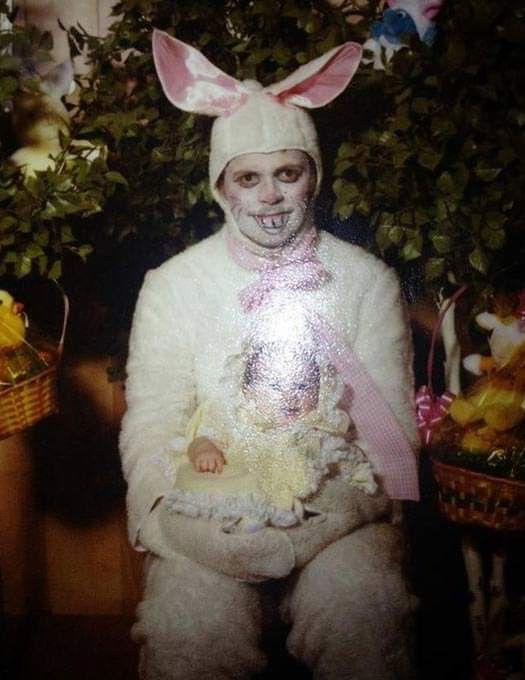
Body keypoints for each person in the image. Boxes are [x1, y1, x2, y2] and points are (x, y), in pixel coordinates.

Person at [120, 30, 420, 679]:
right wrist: (177, 524)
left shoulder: (365, 280)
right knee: (188, 631)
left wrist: (323, 523)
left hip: (335, 509)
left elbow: (390, 434)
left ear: (314, 176)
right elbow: (152, 422)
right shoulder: (172, 284)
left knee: (363, 611)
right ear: (220, 187)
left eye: (288, 173)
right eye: (248, 178)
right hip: (209, 510)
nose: (270, 196)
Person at [166, 342, 377, 533]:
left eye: (302, 386)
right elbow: (204, 437)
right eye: (275, 386)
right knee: (201, 488)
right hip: (243, 488)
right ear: (247, 390)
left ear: (320, 390)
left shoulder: (319, 423)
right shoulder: (238, 418)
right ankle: (242, 525)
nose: (290, 396)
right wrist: (204, 450)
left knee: (330, 499)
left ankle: (298, 530)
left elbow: (344, 453)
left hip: (300, 499)